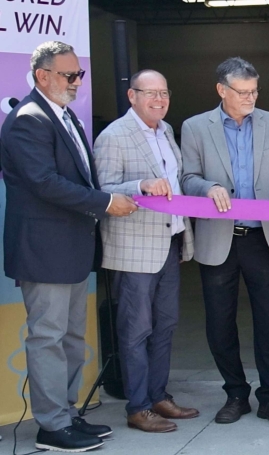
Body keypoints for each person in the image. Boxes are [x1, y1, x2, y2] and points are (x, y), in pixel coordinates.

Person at [0, 40, 137, 452]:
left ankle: (67, 414)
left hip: (73, 249)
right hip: (44, 251)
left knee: (72, 338)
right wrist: (106, 203)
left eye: (79, 73)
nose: (77, 81)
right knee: (48, 338)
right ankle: (52, 427)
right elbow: (44, 182)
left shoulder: (65, 116)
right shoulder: (28, 119)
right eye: (69, 74)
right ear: (42, 76)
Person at [181, 57, 269, 427]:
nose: (251, 98)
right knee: (220, 323)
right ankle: (235, 394)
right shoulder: (194, 127)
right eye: (243, 92)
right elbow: (187, 178)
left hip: (262, 237)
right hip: (218, 238)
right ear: (222, 90)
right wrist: (208, 187)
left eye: (255, 91)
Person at [94, 69, 198, 433]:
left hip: (170, 240)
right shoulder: (113, 136)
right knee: (136, 330)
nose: (159, 100)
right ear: (132, 96)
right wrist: (140, 185)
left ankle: (157, 396)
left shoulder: (166, 131)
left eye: (164, 93)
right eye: (150, 93)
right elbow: (102, 189)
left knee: (165, 325)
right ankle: (137, 406)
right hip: (134, 248)